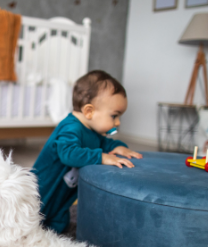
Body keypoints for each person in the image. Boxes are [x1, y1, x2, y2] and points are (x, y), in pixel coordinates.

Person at [32, 70, 143, 234]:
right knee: (31, 223)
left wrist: (117, 146)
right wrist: (101, 157)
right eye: (114, 116)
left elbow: (104, 143)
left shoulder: (93, 131)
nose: (118, 123)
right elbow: (68, 153)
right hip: (42, 192)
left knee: (59, 226)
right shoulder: (71, 127)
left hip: (63, 198)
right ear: (89, 111)